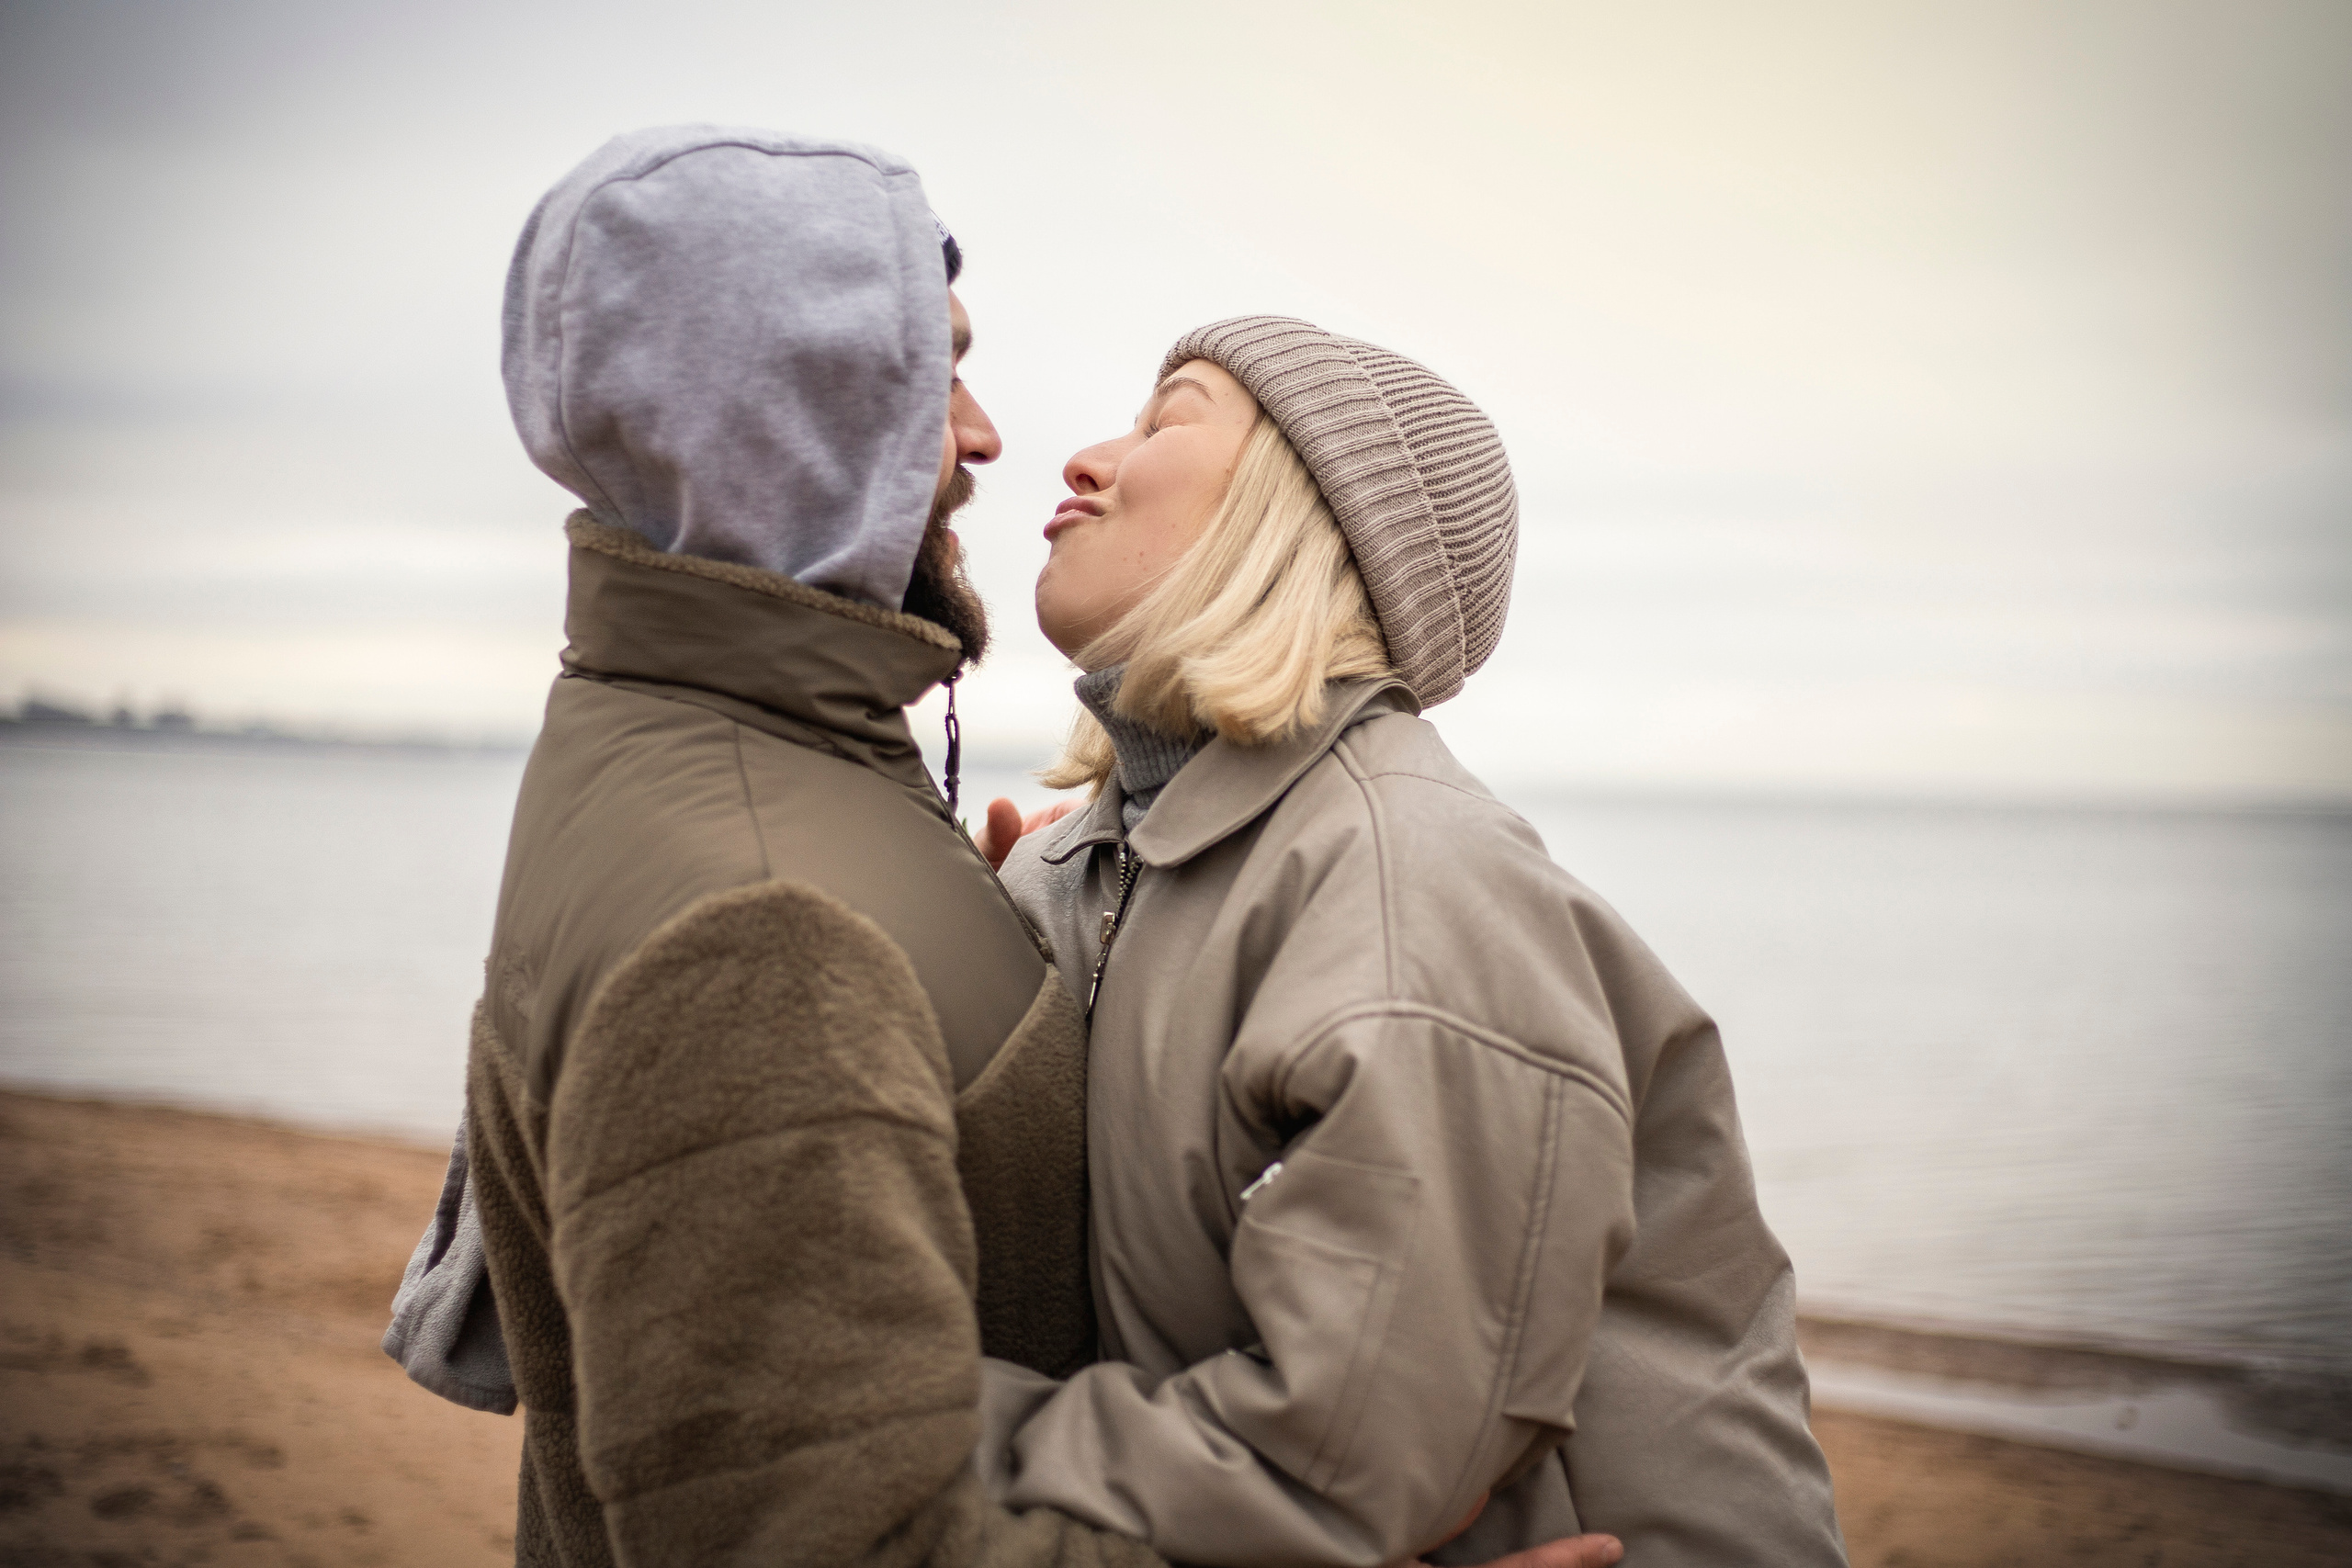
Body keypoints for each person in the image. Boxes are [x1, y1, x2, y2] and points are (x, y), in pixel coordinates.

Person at [394, 126, 1623, 1568]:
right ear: (799, 405)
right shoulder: (772, 907)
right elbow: (827, 1531)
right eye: (937, 374)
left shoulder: (725, 753)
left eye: (1163, 420)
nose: (993, 436)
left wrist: (1002, 960)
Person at [982, 317, 1850, 1568]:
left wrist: (890, 1435)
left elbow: (1336, 1466)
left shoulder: (1406, 892)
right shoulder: (1072, 862)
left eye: (1168, 418)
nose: (1083, 459)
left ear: (1309, 521)